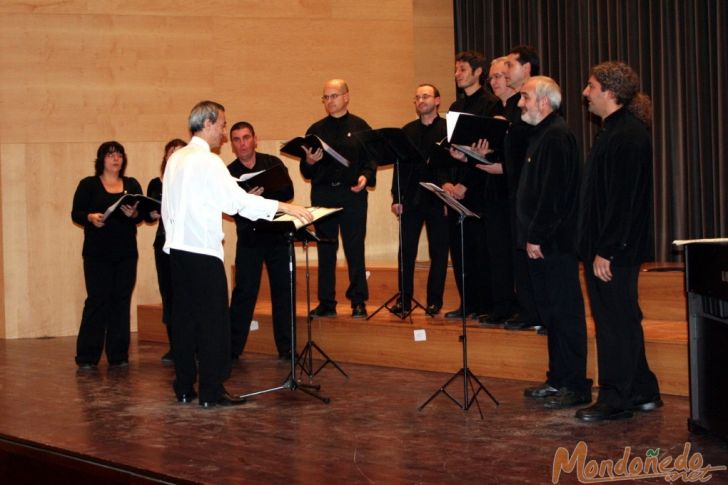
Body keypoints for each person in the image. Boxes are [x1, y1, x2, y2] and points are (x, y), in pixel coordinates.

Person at [162, 101, 312, 408]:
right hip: (202, 251)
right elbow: (235, 204)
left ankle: (185, 387)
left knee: (185, 322)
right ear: (207, 123)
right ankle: (211, 392)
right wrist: (284, 207)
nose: (224, 134)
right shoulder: (208, 161)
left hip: (177, 250)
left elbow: (168, 205)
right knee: (213, 323)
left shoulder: (177, 157)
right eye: (221, 125)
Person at [575, 62, 662, 422]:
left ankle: (616, 398)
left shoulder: (626, 135)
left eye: (591, 86)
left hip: (614, 250)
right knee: (621, 318)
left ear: (610, 93)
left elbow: (623, 202)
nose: (585, 92)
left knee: (614, 323)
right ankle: (643, 390)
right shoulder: (616, 131)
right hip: (611, 247)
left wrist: (606, 250)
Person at [515, 76, 591, 409]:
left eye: (525, 97)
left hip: (553, 245)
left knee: (565, 314)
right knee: (552, 314)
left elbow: (554, 195)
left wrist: (536, 236)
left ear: (544, 102)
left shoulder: (557, 136)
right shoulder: (542, 135)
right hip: (543, 243)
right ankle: (558, 379)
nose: (520, 103)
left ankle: (575, 385)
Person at [478, 45, 544, 331]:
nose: (499, 78)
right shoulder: (505, 108)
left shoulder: (532, 110)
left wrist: (502, 166)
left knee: (520, 254)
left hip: (522, 192)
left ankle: (530, 311)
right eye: (494, 76)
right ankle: (512, 306)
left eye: (504, 73)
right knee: (503, 252)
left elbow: (529, 152)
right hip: (504, 190)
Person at [442, 51, 510, 321]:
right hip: (456, 186)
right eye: (456, 69)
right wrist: (448, 182)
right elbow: (450, 149)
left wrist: (465, 184)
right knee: (460, 249)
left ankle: (487, 303)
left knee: (480, 248)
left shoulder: (491, 105)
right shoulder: (455, 106)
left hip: (479, 186)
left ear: (477, 72)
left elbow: (487, 152)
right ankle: (467, 302)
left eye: (462, 69)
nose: (457, 74)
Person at [300, 79, 376, 319]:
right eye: (326, 97)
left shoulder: (361, 126)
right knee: (325, 249)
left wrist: (365, 177)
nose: (329, 101)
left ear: (346, 96)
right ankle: (326, 302)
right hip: (324, 195)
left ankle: (358, 301)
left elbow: (370, 162)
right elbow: (306, 171)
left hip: (352, 194)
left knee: (355, 249)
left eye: (334, 96)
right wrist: (309, 161)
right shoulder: (315, 130)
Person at [71, 141, 143, 369]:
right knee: (97, 301)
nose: (116, 159)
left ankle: (118, 355)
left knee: (121, 302)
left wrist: (134, 214)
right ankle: (87, 357)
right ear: (101, 159)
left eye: (119, 155)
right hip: (97, 254)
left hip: (126, 253)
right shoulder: (89, 184)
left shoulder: (131, 184)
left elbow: (140, 215)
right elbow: (76, 213)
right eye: (111, 155)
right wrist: (90, 217)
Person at [227, 121, 294, 361]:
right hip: (249, 238)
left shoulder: (272, 163)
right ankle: (232, 349)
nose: (242, 143)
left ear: (255, 139)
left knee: (283, 292)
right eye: (237, 139)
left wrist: (262, 194)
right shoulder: (229, 172)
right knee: (244, 292)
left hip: (277, 235)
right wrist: (245, 199)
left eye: (246, 138)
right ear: (232, 144)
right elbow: (228, 208)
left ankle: (286, 348)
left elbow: (288, 193)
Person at [389, 84, 449, 316]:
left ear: (437, 101)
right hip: (411, 200)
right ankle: (404, 301)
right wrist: (396, 197)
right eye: (417, 97)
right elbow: (398, 168)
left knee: (439, 252)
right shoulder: (407, 131)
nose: (421, 100)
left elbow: (453, 167)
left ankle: (435, 302)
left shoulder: (447, 129)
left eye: (425, 96)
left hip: (439, 201)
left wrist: (448, 199)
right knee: (406, 252)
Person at [146, 138, 186, 364]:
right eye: (171, 153)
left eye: (180, 152)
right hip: (164, 242)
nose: (175, 156)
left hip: (187, 243)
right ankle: (175, 346)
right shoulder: (157, 182)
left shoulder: (191, 180)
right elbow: (147, 210)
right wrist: (150, 214)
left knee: (188, 295)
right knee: (169, 294)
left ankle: (192, 344)